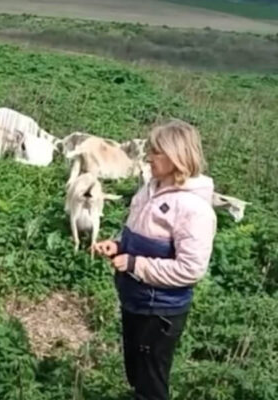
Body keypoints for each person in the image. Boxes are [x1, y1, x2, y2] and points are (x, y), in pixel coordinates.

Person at [92, 119, 217, 400]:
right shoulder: (150, 188)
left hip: (159, 310)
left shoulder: (193, 209)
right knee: (136, 373)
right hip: (135, 300)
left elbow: (190, 269)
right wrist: (118, 245)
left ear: (177, 156)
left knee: (151, 386)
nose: (148, 158)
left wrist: (135, 264)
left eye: (156, 152)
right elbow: (139, 231)